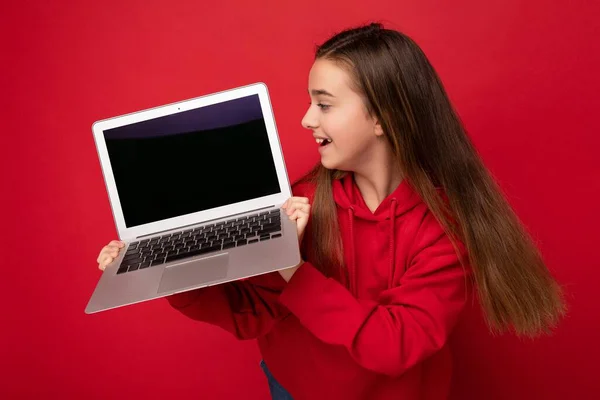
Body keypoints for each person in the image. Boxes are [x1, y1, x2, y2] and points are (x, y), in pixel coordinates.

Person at [96, 22, 566, 400]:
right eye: (309, 102)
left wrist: (293, 272)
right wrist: (171, 270)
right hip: (293, 388)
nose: (306, 119)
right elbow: (249, 314)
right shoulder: (300, 204)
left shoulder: (442, 228)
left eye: (324, 104)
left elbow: (398, 342)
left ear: (384, 117)